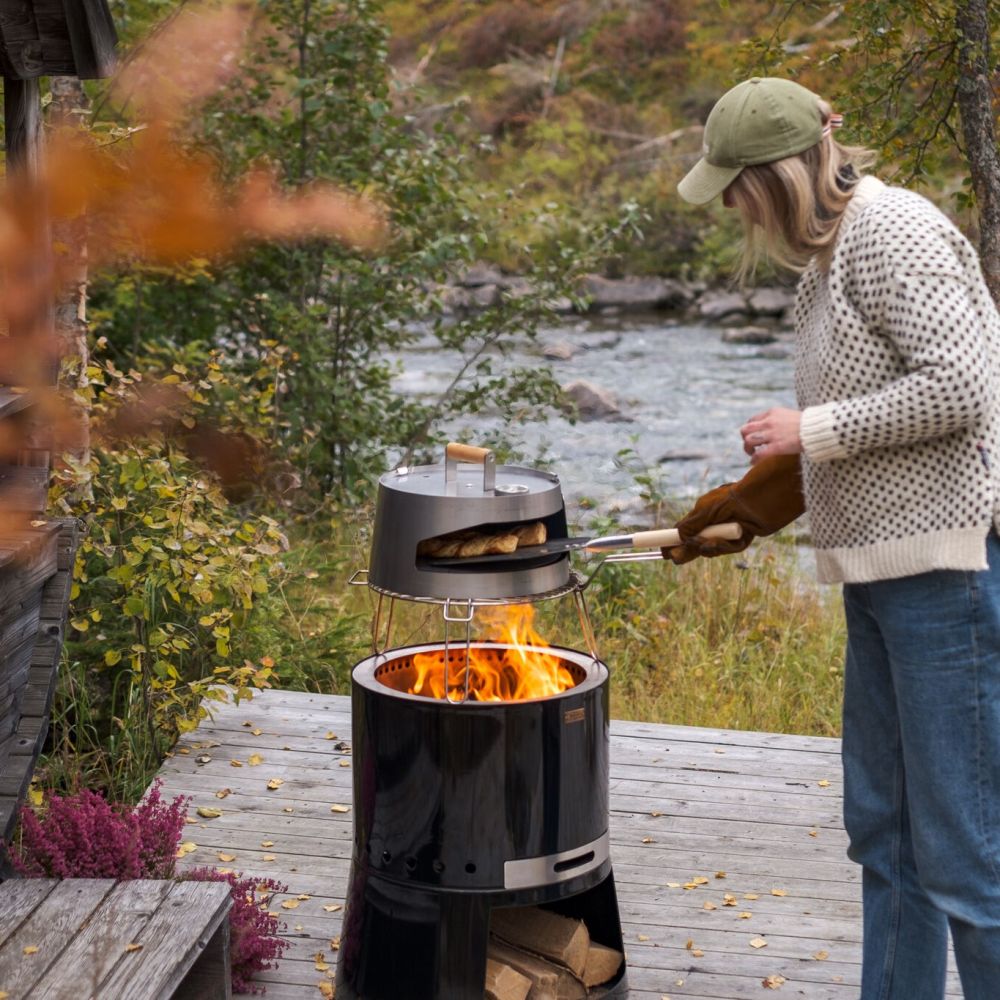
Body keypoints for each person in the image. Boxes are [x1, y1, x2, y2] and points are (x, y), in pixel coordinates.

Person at [669, 77, 1000, 999]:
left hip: (949, 576)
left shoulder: (897, 234)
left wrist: (809, 431)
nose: (731, 203)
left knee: (968, 855)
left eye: (735, 183)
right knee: (886, 833)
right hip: (884, 576)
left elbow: (962, 389)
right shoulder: (831, 255)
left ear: (778, 174)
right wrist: (757, 505)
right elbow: (865, 428)